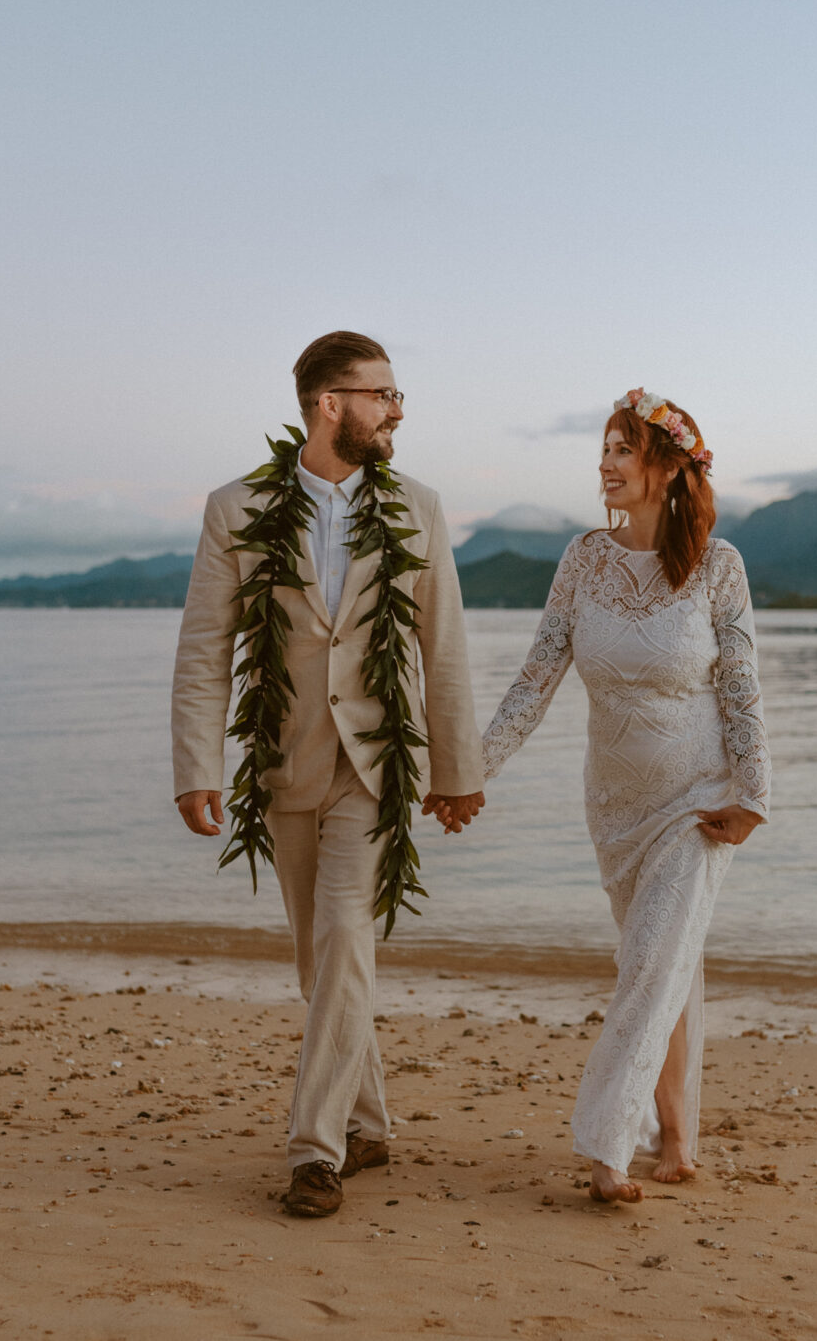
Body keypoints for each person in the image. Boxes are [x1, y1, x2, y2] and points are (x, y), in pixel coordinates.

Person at [171, 331, 486, 1218]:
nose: (396, 410)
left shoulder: (417, 505)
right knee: (322, 962)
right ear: (328, 404)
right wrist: (196, 765)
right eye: (382, 394)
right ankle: (372, 1121)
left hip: (378, 766)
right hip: (282, 760)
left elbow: (444, 646)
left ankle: (316, 1149)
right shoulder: (236, 507)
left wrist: (458, 768)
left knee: (345, 940)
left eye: (396, 395)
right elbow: (205, 647)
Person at [480, 389, 769, 1204]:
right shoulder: (582, 560)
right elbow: (535, 679)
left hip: (699, 800)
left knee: (650, 963)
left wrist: (755, 794)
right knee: (665, 964)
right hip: (614, 805)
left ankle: (609, 1144)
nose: (605, 465)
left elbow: (744, 689)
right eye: (603, 450)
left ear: (668, 467)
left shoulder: (720, 567)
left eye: (621, 450)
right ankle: (675, 1136)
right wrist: (471, 770)